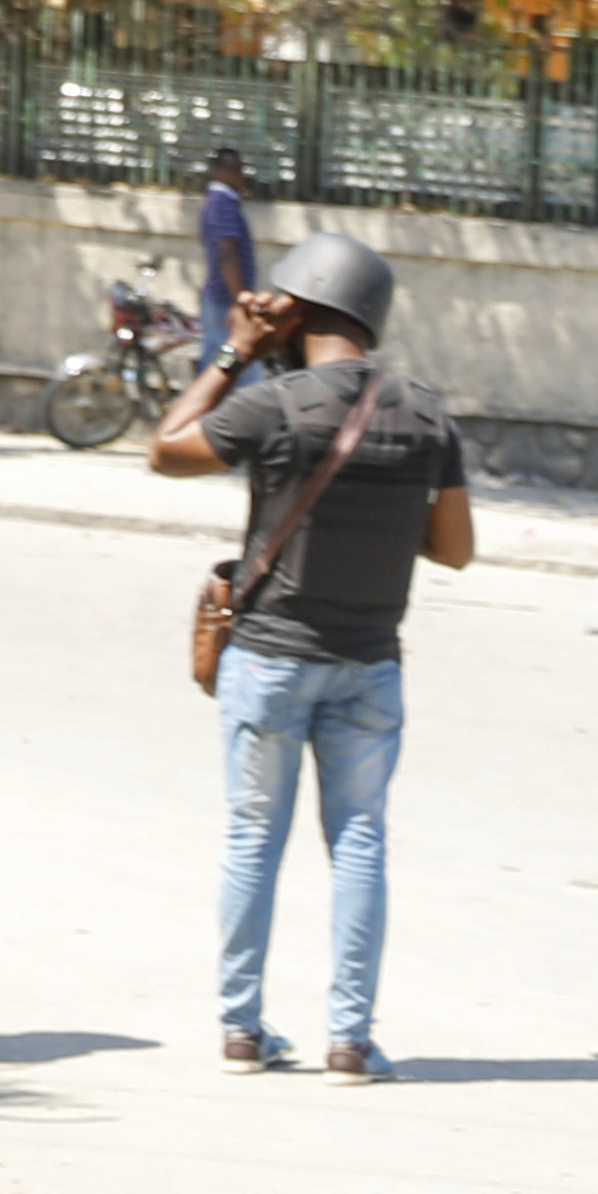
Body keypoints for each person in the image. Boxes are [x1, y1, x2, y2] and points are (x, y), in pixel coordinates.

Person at [148, 226, 471, 1080]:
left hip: (269, 660)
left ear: (296, 310)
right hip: (369, 664)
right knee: (359, 842)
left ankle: (241, 1030)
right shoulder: (425, 411)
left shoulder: (275, 404)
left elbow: (166, 449)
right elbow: (455, 547)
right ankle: (349, 1042)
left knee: (253, 838)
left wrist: (234, 352)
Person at [194, 147, 259, 326]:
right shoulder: (222, 203)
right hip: (224, 300)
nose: (241, 176)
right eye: (235, 170)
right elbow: (227, 253)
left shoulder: (222, 201)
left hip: (222, 298)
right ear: (218, 171)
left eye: (241, 169)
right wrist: (239, 299)